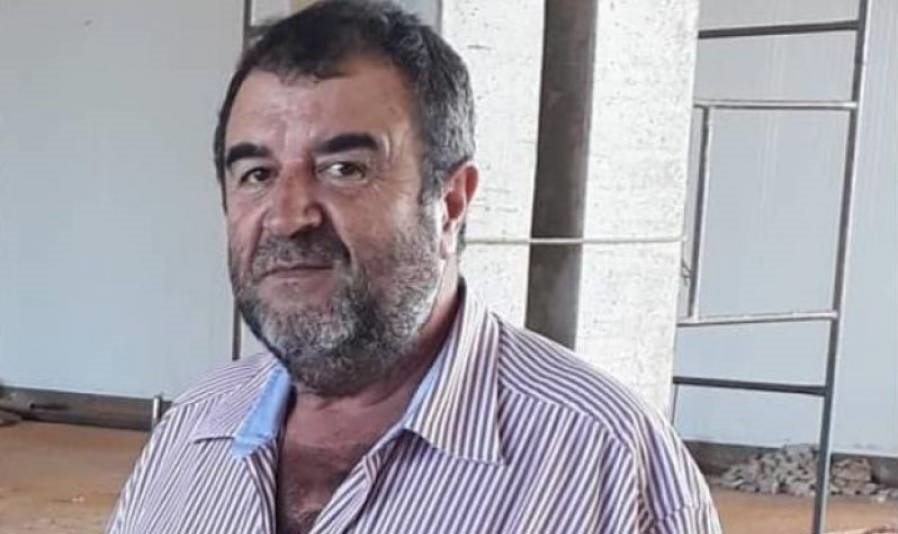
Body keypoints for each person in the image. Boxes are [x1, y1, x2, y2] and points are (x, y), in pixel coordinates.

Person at [107, 1, 721, 532]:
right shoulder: (193, 432)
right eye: (256, 174)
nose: (288, 217)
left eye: (344, 169)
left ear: (450, 201)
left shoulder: (604, 462)